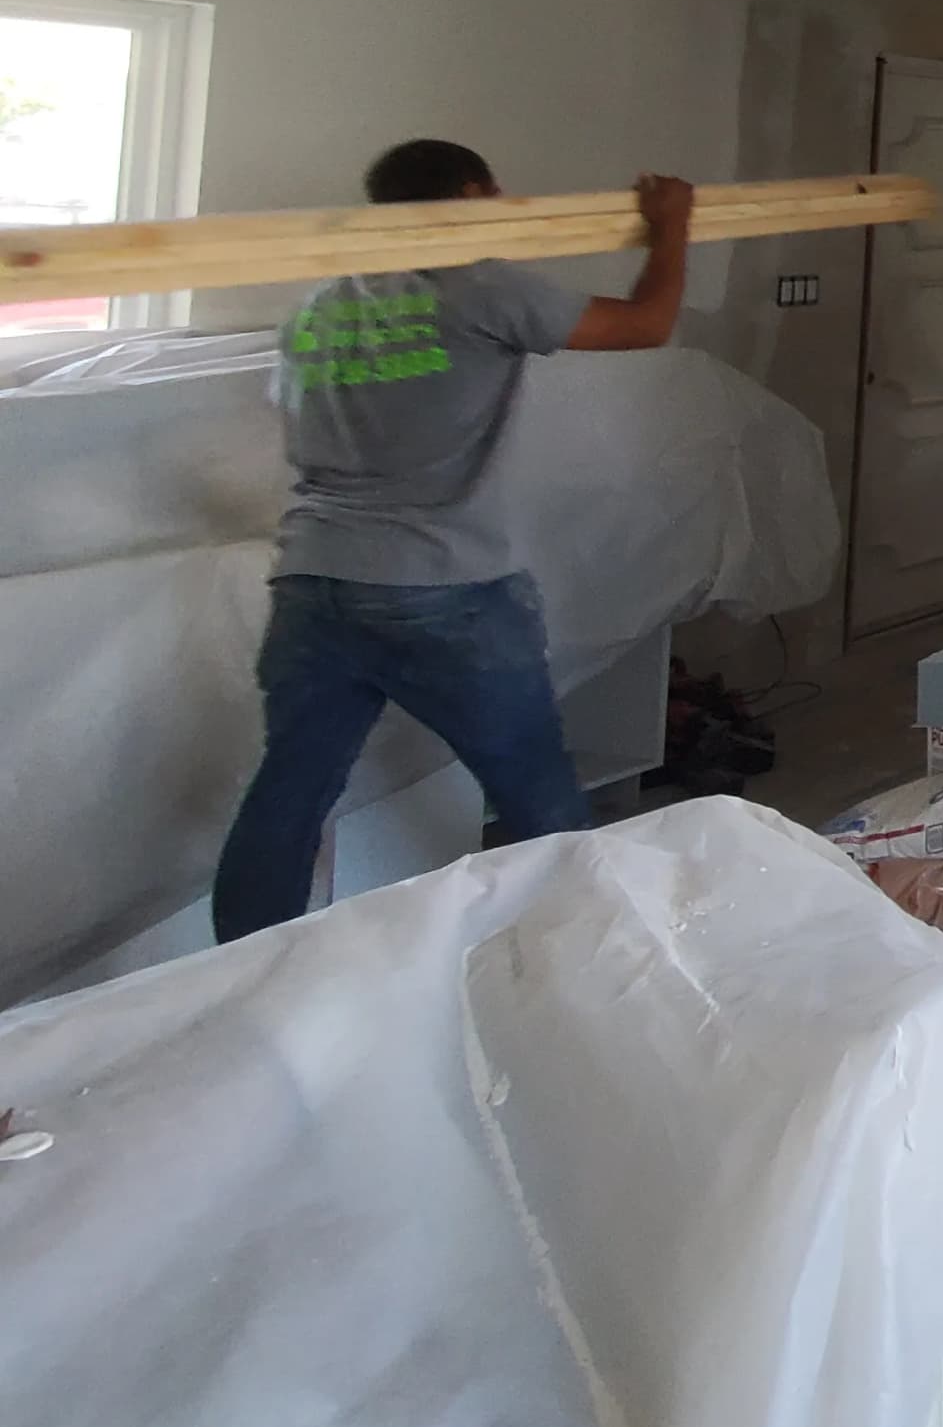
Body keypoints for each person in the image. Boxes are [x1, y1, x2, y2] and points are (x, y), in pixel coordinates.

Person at [210, 143, 694, 939]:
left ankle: (243, 976)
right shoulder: (479, 285)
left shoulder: (323, 305)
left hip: (313, 581)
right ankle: (598, 957)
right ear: (471, 192)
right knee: (538, 795)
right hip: (441, 589)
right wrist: (671, 228)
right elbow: (646, 324)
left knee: (290, 793)